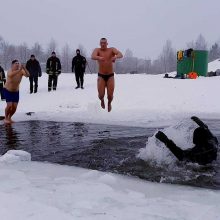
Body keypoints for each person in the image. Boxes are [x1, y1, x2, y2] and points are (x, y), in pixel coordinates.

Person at [91, 38, 123, 112]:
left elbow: (120, 54)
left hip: (110, 75)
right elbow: (92, 56)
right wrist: (99, 57)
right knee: (101, 94)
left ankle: (109, 103)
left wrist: (115, 56)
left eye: (104, 43)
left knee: (110, 95)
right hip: (101, 75)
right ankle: (102, 100)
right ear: (99, 43)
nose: (102, 44)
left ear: (107, 43)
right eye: (101, 43)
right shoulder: (97, 50)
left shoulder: (111, 49)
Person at [3, 60, 29, 124]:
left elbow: (28, 75)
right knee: (9, 105)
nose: (17, 64)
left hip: (15, 91)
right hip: (7, 90)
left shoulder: (21, 71)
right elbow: (10, 75)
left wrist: (24, 68)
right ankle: (6, 118)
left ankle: (9, 117)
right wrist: (19, 70)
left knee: (14, 107)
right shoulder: (10, 70)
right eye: (16, 63)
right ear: (12, 65)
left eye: (18, 63)